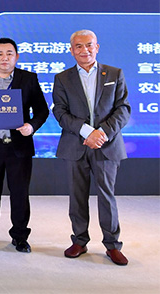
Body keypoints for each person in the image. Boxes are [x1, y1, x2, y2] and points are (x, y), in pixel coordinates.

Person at [52, 30, 130, 266]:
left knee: (107, 196)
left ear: (97, 47)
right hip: (75, 145)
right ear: (71, 50)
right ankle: (79, 240)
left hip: (107, 145)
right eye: (78, 46)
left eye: (89, 45)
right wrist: (87, 132)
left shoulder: (114, 73)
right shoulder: (62, 78)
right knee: (77, 196)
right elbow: (60, 112)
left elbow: (123, 109)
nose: (84, 50)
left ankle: (112, 245)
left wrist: (102, 133)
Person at [0, 37, 49, 253]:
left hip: (18, 146)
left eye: (9, 53)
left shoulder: (28, 79)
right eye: (0, 54)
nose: (5, 58)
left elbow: (42, 110)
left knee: (20, 193)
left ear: (17, 57)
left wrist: (31, 126)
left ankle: (20, 236)